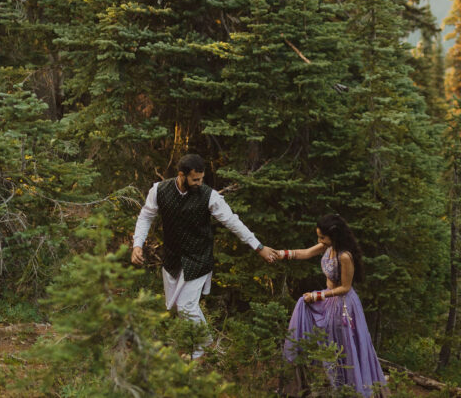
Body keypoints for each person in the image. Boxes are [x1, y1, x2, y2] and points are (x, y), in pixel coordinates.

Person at [132, 153, 279, 360]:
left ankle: (202, 352)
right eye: (195, 179)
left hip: (199, 257)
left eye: (201, 179)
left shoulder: (209, 196)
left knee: (186, 305)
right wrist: (137, 245)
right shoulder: (159, 190)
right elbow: (145, 216)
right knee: (177, 306)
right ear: (181, 175)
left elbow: (232, 221)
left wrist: (258, 247)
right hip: (172, 257)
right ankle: (206, 343)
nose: (199, 183)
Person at [280, 214, 387, 397]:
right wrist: (283, 254)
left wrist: (317, 295)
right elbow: (305, 253)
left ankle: (350, 389)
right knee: (304, 308)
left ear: (334, 236)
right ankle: (322, 384)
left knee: (344, 344)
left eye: (322, 237)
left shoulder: (344, 256)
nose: (319, 240)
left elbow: (345, 288)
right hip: (329, 300)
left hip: (344, 305)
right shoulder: (326, 247)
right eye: (319, 236)